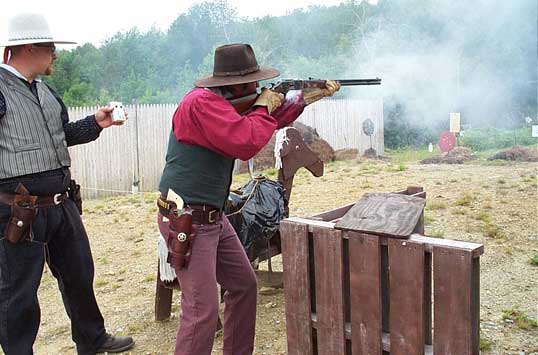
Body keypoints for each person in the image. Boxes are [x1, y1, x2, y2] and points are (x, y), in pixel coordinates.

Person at [157, 43, 339, 355]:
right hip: (188, 217)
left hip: (212, 215)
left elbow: (264, 121)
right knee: (202, 313)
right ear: (234, 84)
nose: (257, 87)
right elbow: (246, 141)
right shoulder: (202, 103)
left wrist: (305, 99)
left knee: (243, 285)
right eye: (252, 82)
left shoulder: (223, 104)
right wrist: (261, 106)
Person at [0, 13, 135, 355]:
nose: (55, 55)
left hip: (62, 204)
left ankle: (92, 340)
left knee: (79, 275)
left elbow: (62, 136)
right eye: (50, 48)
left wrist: (97, 123)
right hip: (17, 209)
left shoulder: (46, 92)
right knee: (17, 291)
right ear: (28, 47)